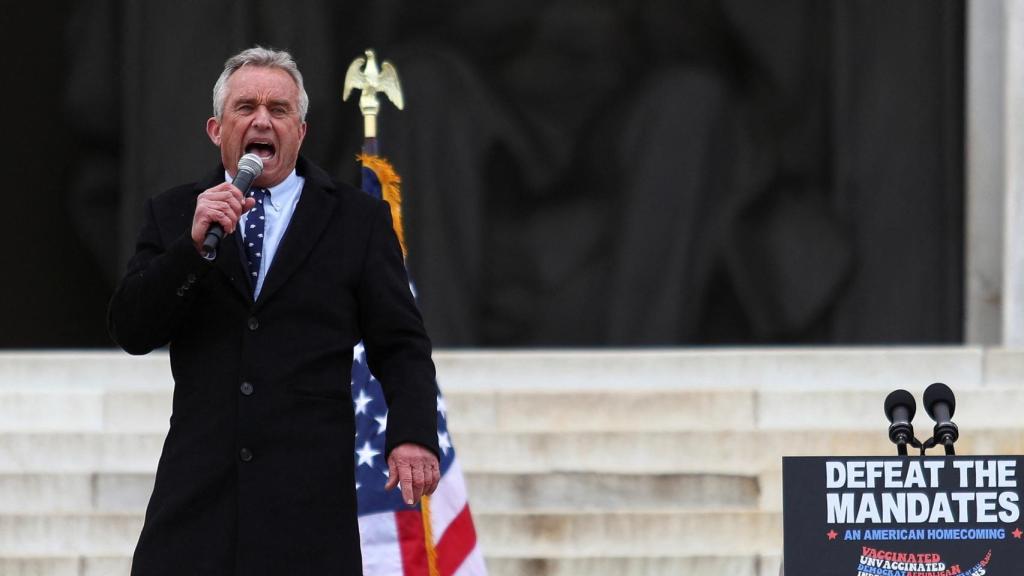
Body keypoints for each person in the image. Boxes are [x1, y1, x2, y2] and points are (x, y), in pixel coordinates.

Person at [108, 46, 441, 575]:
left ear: (300, 131)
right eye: (246, 107)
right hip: (196, 505)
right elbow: (132, 327)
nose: (262, 119)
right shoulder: (175, 212)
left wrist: (413, 433)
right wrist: (190, 250)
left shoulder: (357, 220)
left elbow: (400, 343)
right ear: (217, 129)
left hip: (306, 508)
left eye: (279, 109)